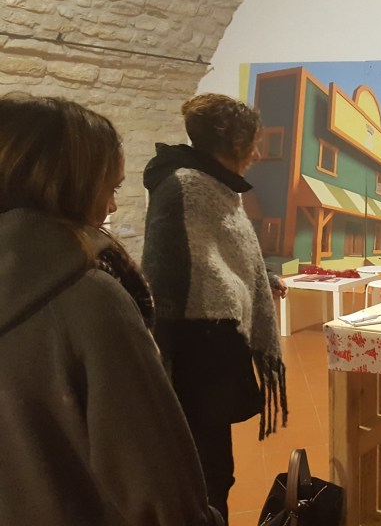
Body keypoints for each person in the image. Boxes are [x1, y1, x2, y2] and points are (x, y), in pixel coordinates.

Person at [0, 94, 222, 525]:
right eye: (111, 186)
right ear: (66, 185)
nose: (113, 205)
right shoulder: (87, 299)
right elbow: (161, 490)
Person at [142, 93, 287, 523]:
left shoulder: (216, 184)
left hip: (214, 340)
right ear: (234, 143)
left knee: (217, 470)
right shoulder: (184, 186)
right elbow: (164, 274)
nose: (256, 155)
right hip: (195, 350)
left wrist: (260, 280)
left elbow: (226, 253)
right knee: (205, 473)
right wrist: (163, 357)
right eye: (253, 145)